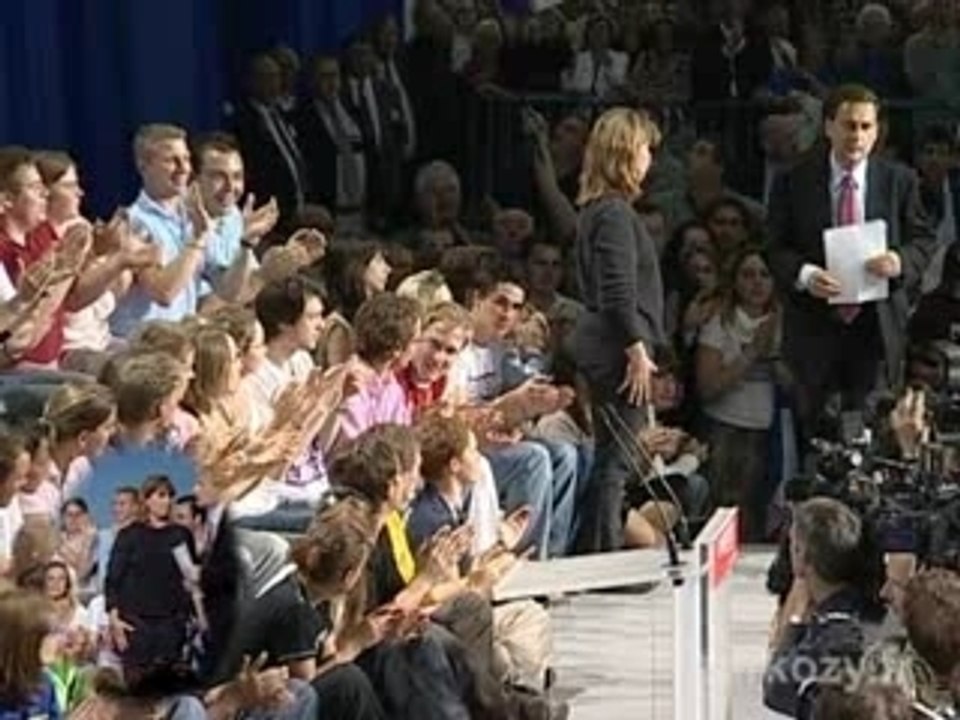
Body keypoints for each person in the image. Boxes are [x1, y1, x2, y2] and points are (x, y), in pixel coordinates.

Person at [766, 84, 939, 437]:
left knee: (872, 433)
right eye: (849, 125)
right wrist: (805, 274)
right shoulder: (793, 181)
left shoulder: (899, 180)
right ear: (828, 126)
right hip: (816, 330)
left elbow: (923, 239)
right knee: (815, 437)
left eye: (865, 127)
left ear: (877, 131)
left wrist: (899, 260)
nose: (857, 136)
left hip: (875, 330)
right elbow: (772, 247)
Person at [568, 107, 665, 553]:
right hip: (616, 348)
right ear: (627, 152)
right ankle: (603, 555)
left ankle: (599, 549)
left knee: (612, 456)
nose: (650, 158)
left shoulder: (597, 210)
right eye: (645, 148)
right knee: (616, 461)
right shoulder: (614, 215)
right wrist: (636, 348)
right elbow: (618, 291)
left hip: (604, 344)